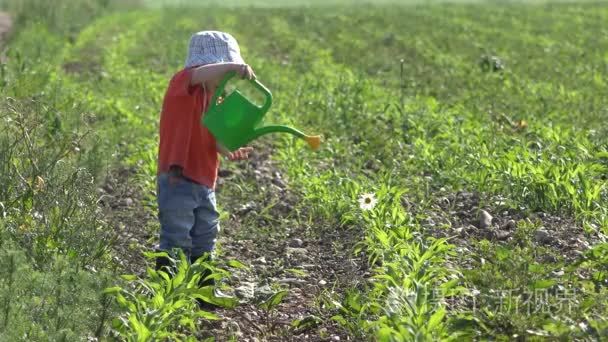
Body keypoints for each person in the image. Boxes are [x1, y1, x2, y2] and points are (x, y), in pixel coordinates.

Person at [155, 31, 255, 281]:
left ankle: (203, 286)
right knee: (177, 233)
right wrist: (233, 65)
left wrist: (227, 148)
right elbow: (197, 74)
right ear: (208, 66)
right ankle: (167, 286)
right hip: (177, 176)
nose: (228, 77)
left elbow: (213, 136)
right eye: (225, 72)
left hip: (204, 178)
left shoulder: (216, 97)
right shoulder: (183, 83)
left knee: (207, 232)